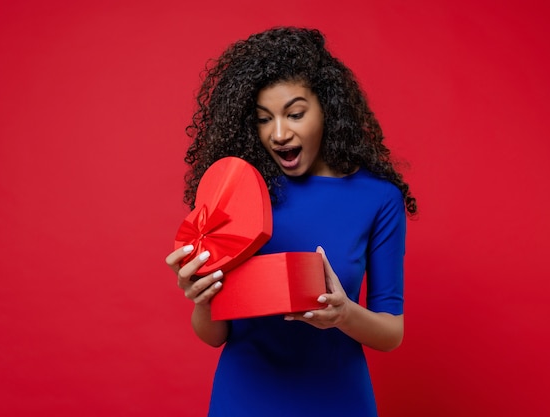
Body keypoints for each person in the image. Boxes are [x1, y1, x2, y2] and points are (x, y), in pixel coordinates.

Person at [166, 26, 416, 417]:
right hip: (246, 396)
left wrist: (343, 313)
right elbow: (214, 335)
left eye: (295, 114)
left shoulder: (378, 198)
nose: (280, 134)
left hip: (337, 397)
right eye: (264, 119)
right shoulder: (237, 189)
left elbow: (391, 333)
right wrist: (201, 298)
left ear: (327, 109)